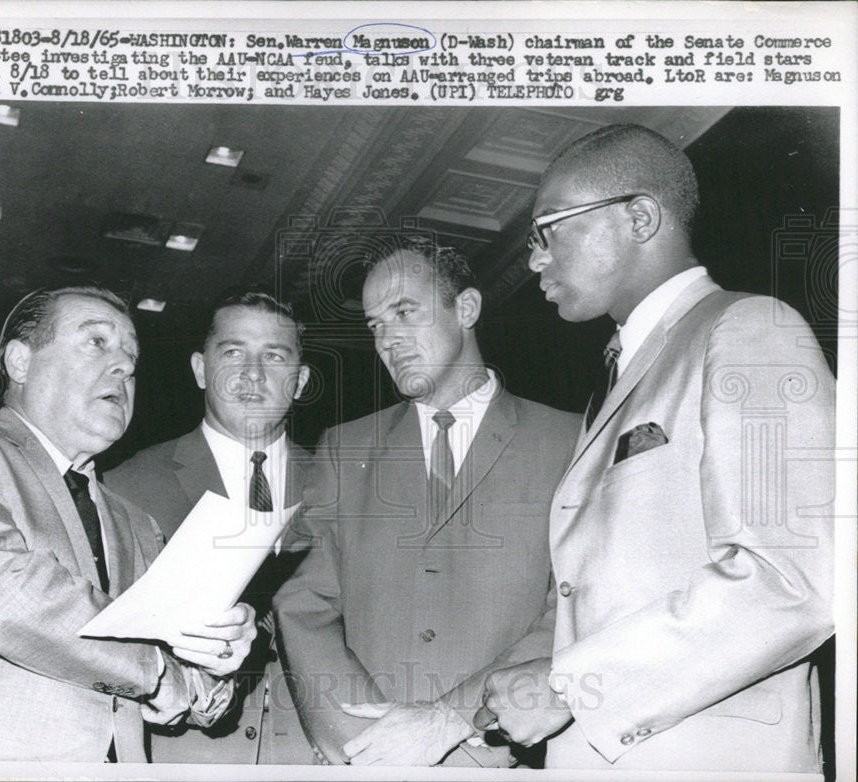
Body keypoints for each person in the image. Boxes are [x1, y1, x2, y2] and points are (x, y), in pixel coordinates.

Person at [474, 124, 835, 773]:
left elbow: (793, 577)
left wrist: (569, 687)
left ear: (640, 216)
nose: (532, 260)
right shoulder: (618, 378)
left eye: (547, 230)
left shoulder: (752, 330)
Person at [0, 285, 257, 762]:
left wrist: (217, 661)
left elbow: (186, 692)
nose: (126, 367)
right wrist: (155, 671)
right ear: (20, 362)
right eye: (97, 342)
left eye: (132, 357)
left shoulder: (137, 524)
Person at [274, 238, 580, 767]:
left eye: (404, 312)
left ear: (465, 308)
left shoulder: (571, 440)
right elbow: (303, 606)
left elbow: (575, 606)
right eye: (375, 325)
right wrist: (367, 743)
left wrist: (451, 721)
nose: (388, 339)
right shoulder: (346, 448)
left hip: (506, 755)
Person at [104, 287, 312, 764]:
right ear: (200, 369)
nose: (252, 374)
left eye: (274, 357)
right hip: (182, 756)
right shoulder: (125, 486)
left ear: (300, 381)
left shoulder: (344, 487)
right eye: (233, 352)